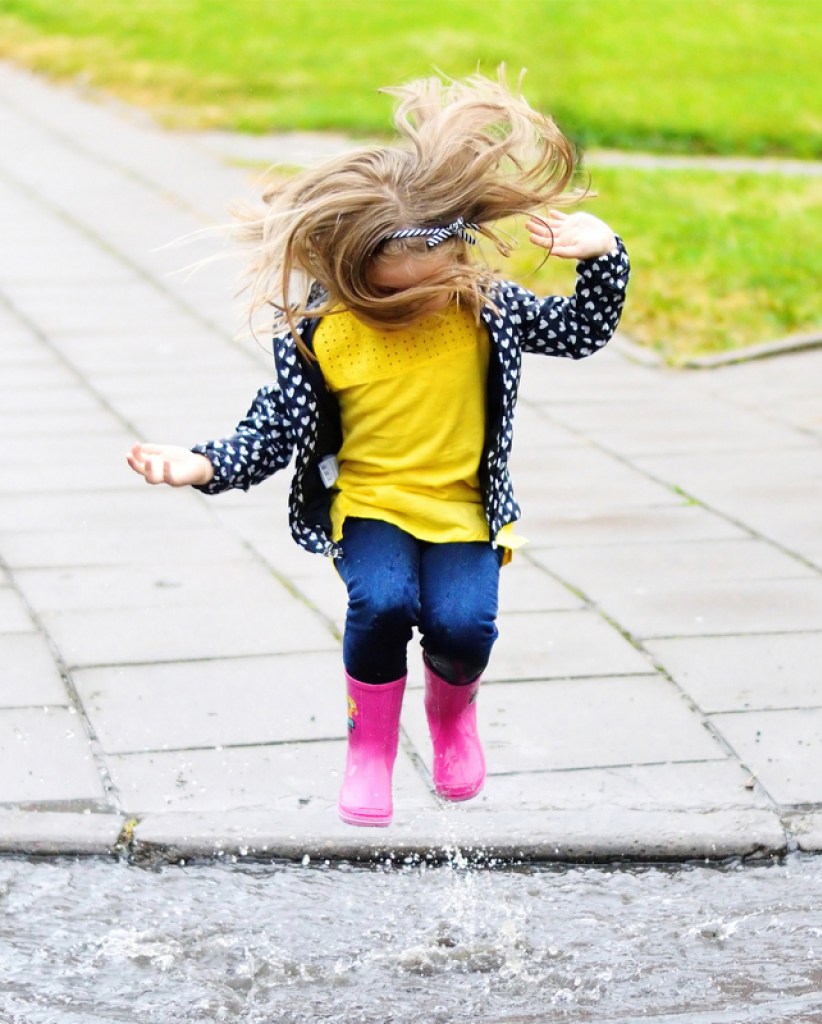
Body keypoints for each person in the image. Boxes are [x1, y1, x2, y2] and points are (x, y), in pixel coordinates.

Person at [126, 71, 630, 828]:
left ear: (458, 260)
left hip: (463, 507)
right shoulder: (320, 335)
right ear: (353, 281)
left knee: (464, 625)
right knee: (383, 602)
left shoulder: (484, 308)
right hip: (370, 506)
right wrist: (204, 465)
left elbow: (582, 332)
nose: (416, 308)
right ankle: (370, 747)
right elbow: (275, 425)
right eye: (392, 301)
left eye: (430, 289)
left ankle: (452, 719)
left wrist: (604, 253)